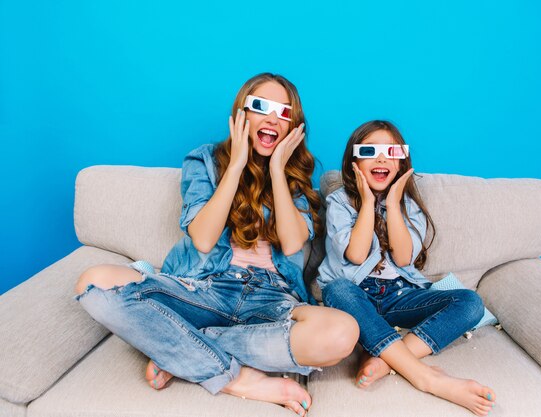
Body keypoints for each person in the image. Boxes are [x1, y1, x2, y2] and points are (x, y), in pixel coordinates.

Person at [75, 73, 359, 416]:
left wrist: (278, 172)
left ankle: (182, 346)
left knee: (343, 333)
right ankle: (235, 379)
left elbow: (291, 240)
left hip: (272, 301)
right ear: (242, 114)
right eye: (261, 107)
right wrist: (237, 164)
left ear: (293, 126)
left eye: (284, 113)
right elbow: (204, 238)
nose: (272, 118)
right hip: (205, 288)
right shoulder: (206, 161)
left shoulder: (296, 178)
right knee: (94, 280)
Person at [317, 120, 496, 416]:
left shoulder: (409, 206)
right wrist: (365, 203)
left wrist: (395, 201)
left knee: (470, 303)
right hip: (354, 298)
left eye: (391, 151)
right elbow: (357, 255)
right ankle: (424, 377)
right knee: (337, 290)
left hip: (399, 296)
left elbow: (402, 259)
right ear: (354, 162)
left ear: (401, 162)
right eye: (370, 151)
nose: (381, 158)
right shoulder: (339, 201)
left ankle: (387, 359)